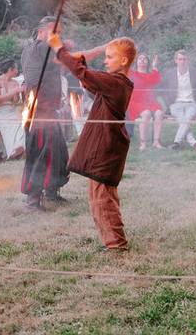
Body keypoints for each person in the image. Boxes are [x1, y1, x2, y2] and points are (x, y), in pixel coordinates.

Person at [50, 33, 136, 250]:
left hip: (107, 149)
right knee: (101, 198)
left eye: (109, 57)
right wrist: (80, 60)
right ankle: (113, 242)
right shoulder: (114, 82)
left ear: (123, 60)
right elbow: (89, 82)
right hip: (108, 148)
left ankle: (117, 245)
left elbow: (84, 74)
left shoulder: (117, 82)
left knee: (102, 201)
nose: (105, 61)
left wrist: (60, 49)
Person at [20, 17, 70, 210]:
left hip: (48, 110)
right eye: (55, 32)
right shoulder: (40, 47)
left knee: (57, 151)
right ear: (42, 31)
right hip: (39, 112)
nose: (58, 36)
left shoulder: (41, 48)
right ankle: (33, 200)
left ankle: (51, 191)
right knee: (42, 153)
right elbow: (63, 58)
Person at [164, 50, 196, 150]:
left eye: (184, 59)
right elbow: (164, 91)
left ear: (188, 60)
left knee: (186, 118)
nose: (182, 62)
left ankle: (177, 142)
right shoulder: (170, 74)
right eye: (180, 59)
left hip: (192, 103)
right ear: (175, 60)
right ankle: (194, 142)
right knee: (184, 120)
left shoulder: (195, 73)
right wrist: (169, 104)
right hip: (176, 104)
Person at [0, 59, 26, 160]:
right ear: (10, 69)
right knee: (7, 124)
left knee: (21, 123)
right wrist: (13, 92)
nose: (17, 70)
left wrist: (19, 93)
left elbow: (15, 102)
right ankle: (11, 151)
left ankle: (18, 148)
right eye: (16, 68)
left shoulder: (15, 82)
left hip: (11, 110)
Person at [127, 53, 163, 150]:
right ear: (137, 62)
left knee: (159, 113)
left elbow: (158, 79)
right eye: (140, 59)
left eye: (145, 59)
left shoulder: (150, 75)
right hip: (136, 102)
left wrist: (155, 66)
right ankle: (143, 143)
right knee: (146, 114)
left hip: (150, 102)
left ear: (148, 62)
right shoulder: (132, 74)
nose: (142, 60)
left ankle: (156, 141)